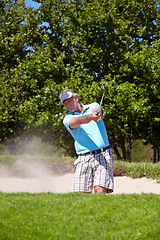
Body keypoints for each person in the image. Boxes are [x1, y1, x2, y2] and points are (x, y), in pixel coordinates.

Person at [59, 88, 114, 194]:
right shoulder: (67, 119)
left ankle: (100, 210)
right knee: (80, 194)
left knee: (100, 189)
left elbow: (98, 111)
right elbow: (78, 121)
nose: (68, 104)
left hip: (103, 154)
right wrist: (90, 117)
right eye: (65, 103)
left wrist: (97, 114)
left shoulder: (93, 106)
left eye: (69, 100)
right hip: (84, 158)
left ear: (76, 98)